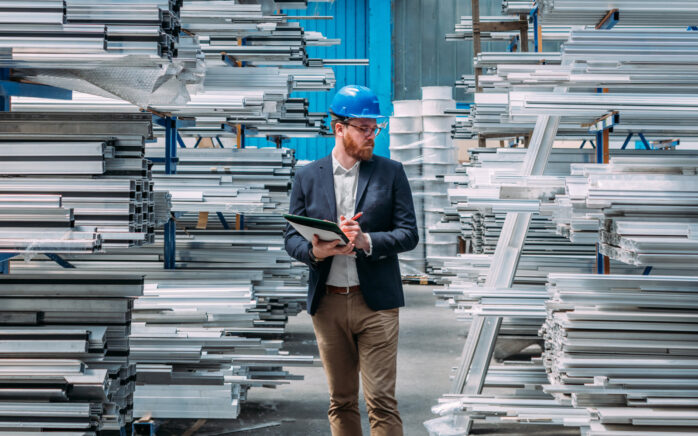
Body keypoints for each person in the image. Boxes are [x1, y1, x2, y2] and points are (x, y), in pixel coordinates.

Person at [284, 84, 419, 436]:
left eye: (375, 128)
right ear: (338, 127)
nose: (372, 135)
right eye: (364, 128)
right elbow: (290, 238)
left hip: (376, 305)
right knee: (341, 400)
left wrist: (366, 240)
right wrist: (317, 251)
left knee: (381, 402)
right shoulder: (307, 176)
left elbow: (409, 234)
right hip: (328, 304)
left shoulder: (391, 173)